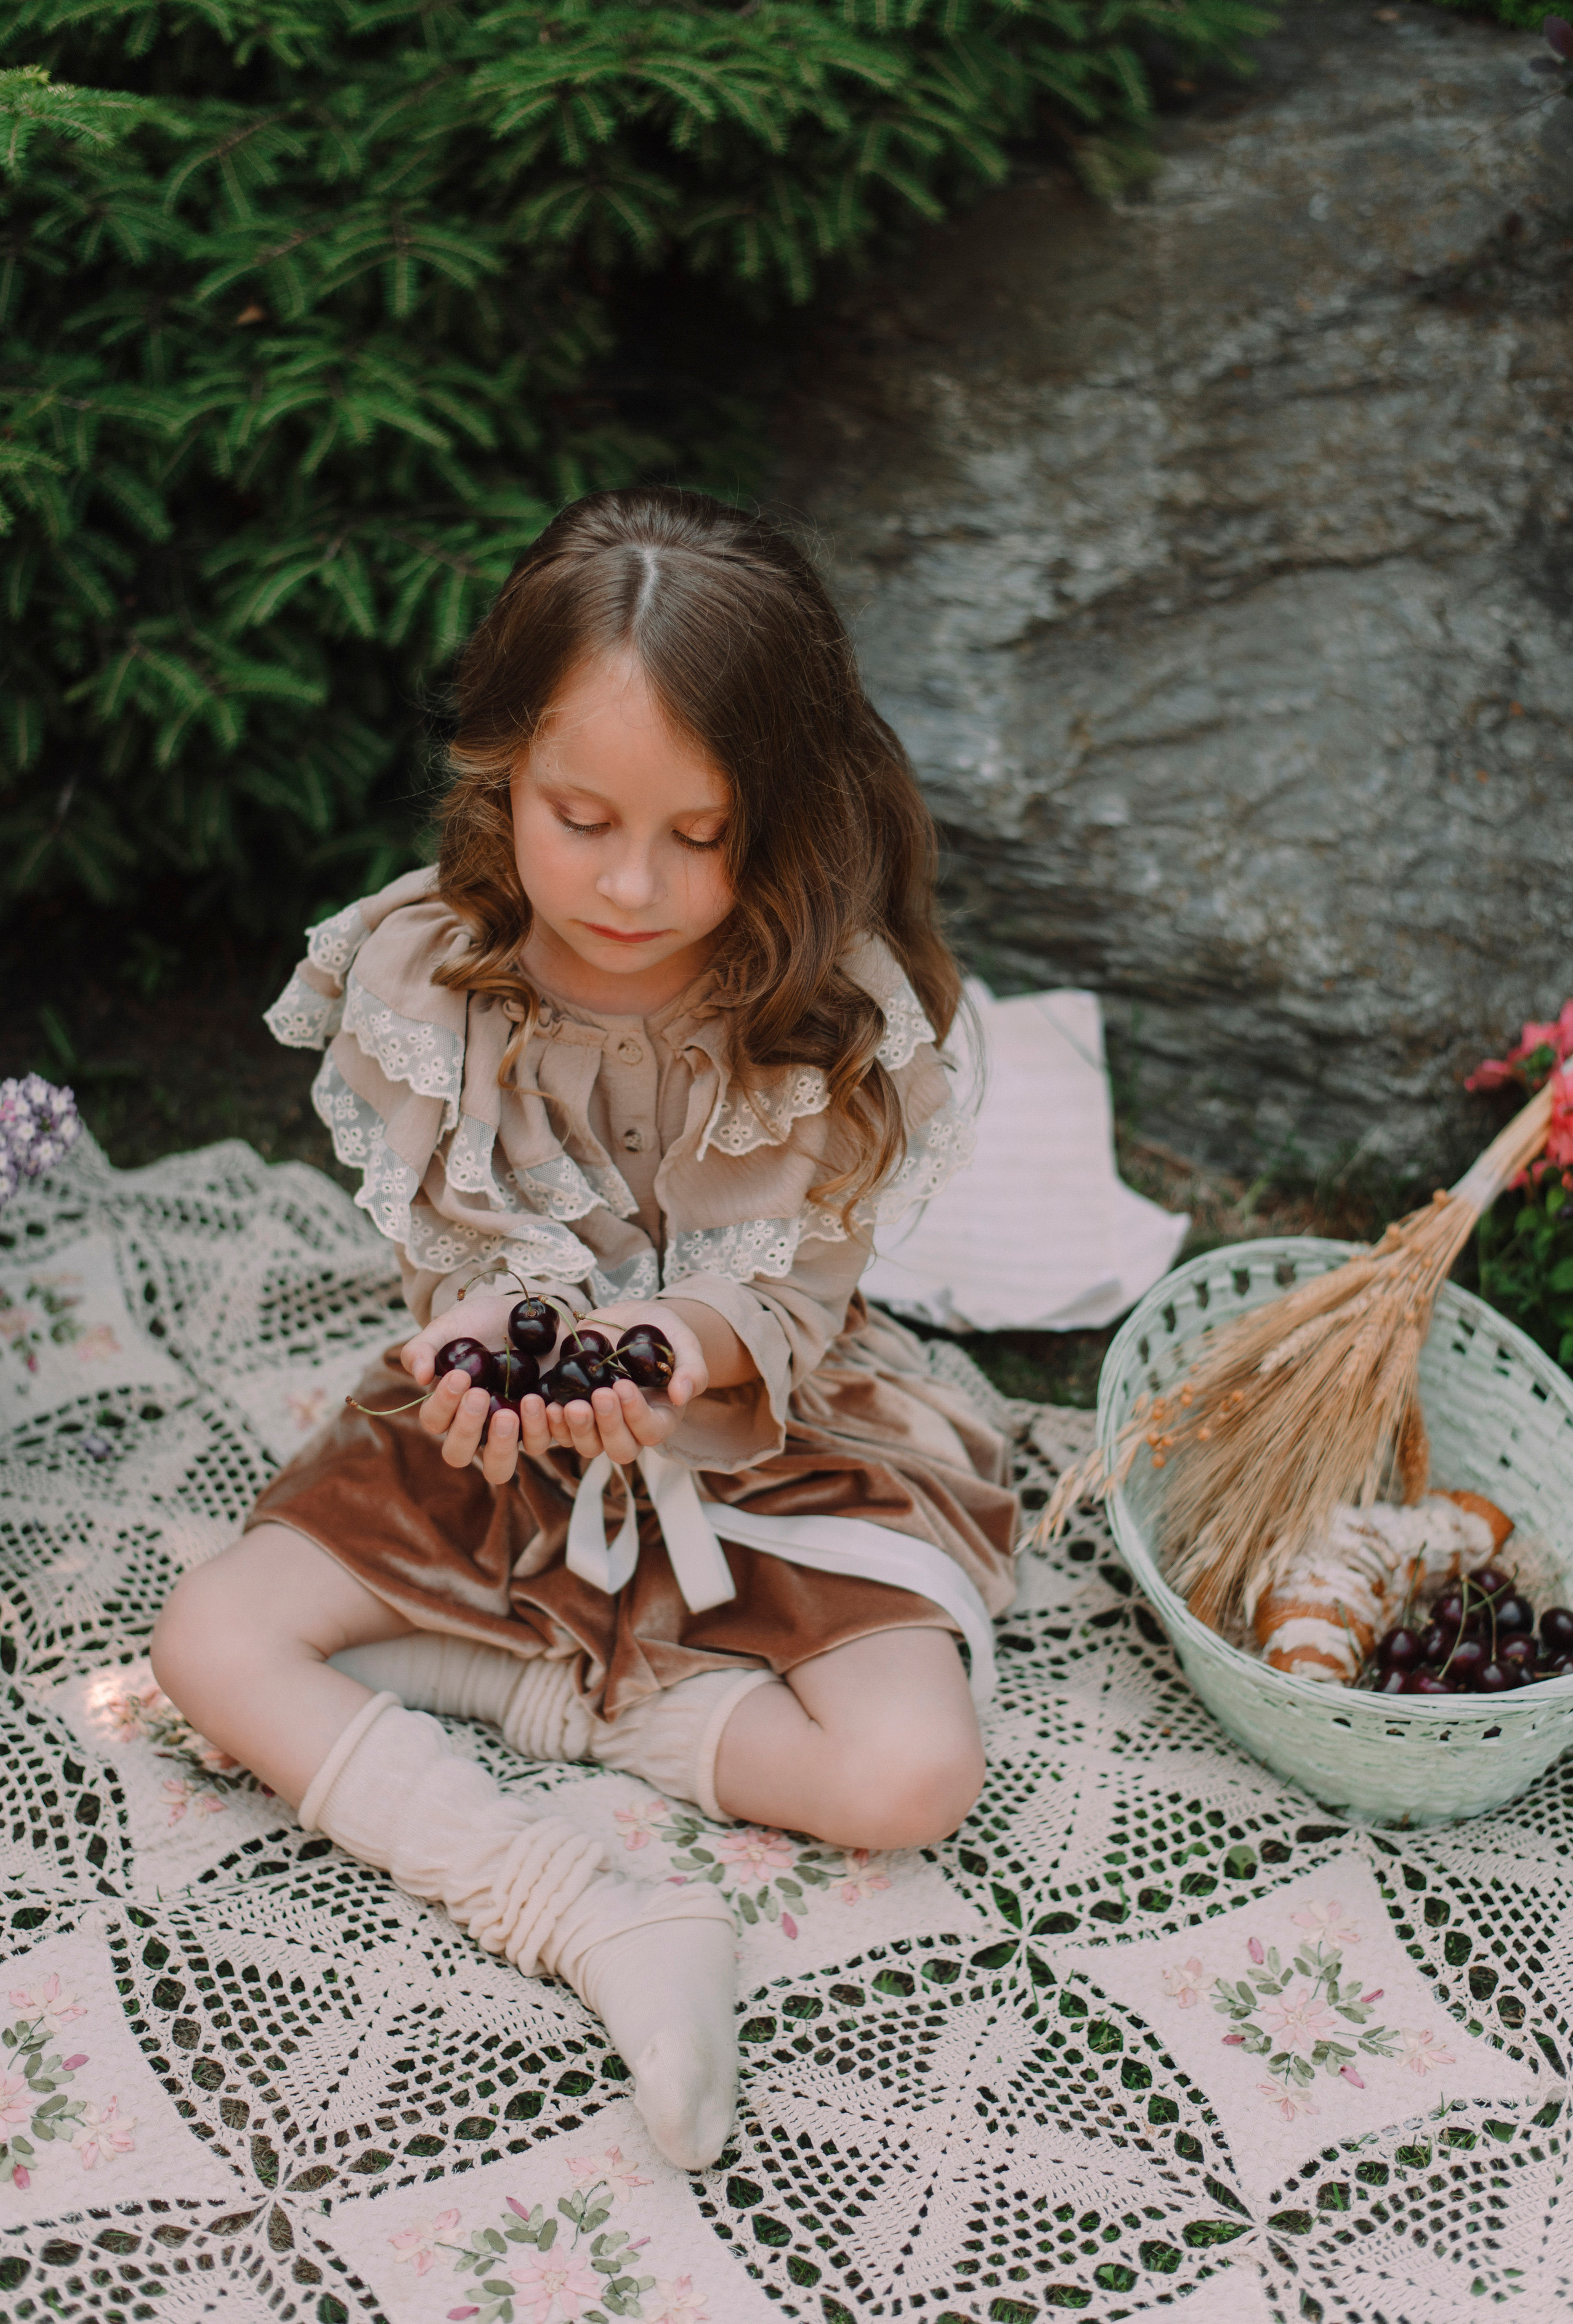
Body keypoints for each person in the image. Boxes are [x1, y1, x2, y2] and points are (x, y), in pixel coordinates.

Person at [150, 488, 1018, 2173]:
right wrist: (485, 1323)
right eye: (582, 814)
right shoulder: (434, 973)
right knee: (203, 1647)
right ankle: (600, 1916)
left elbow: (793, 1284)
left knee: (914, 1771)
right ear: (499, 769)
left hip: (760, 1434)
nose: (634, 883)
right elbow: (459, 1255)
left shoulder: (823, 1003)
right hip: (491, 1447)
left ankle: (497, 1677)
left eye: (703, 833)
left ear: (787, 809)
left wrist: (686, 1344)